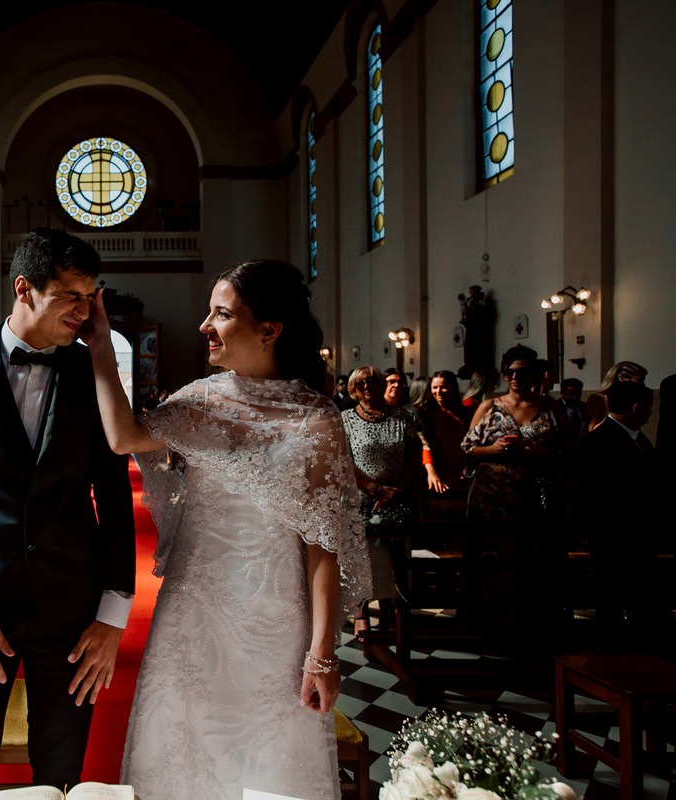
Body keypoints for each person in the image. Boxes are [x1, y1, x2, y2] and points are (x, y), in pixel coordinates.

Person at [83, 260, 371, 800]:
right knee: (179, 761)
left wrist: (322, 653)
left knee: (270, 768)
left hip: (275, 628)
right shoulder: (202, 401)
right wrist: (100, 343)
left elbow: (323, 548)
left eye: (221, 314)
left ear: (269, 328)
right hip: (192, 618)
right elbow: (123, 436)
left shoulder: (318, 421)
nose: (204, 326)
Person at [0, 228, 136, 799]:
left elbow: (113, 501)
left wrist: (112, 617)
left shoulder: (94, 372)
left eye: (92, 296)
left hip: (72, 614)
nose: (84, 312)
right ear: (24, 289)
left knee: (60, 780)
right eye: (70, 296)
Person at [341, 366, 427, 636]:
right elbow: (343, 460)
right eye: (360, 383)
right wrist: (375, 489)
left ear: (382, 385)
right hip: (361, 498)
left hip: (397, 498)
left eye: (372, 381)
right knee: (362, 557)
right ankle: (361, 611)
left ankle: (391, 612)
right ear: (353, 390)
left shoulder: (403, 417)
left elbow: (415, 457)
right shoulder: (345, 419)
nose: (367, 386)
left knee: (392, 558)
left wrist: (395, 491)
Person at [575, 380, 660, 627]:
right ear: (637, 408)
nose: (652, 412)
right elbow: (594, 489)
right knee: (612, 592)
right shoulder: (598, 441)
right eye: (650, 407)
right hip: (614, 529)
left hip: (638, 529)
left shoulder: (639, 439)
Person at [461, 346, 566, 520]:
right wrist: (492, 449)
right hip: (492, 496)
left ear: (533, 374)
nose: (515, 377)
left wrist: (541, 451)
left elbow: (570, 449)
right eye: (510, 372)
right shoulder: (489, 407)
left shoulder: (550, 407)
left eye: (522, 372)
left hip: (538, 495)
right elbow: (467, 449)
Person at [418, 370, 474, 495]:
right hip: (438, 473)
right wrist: (432, 473)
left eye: (443, 387)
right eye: (435, 388)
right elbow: (424, 445)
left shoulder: (466, 412)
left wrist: (467, 469)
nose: (438, 392)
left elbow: (473, 443)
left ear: (452, 388)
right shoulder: (425, 414)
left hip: (464, 472)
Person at [585, 361, 647, 432]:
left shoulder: (632, 401)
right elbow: (592, 429)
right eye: (640, 380)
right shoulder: (598, 399)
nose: (643, 384)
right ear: (622, 378)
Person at [557, 377, 586, 441]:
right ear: (562, 393)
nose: (575, 397)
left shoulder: (585, 406)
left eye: (578, 394)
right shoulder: (555, 406)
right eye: (571, 394)